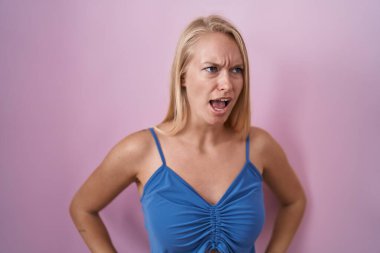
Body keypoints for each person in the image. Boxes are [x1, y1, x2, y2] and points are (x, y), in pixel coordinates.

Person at [69, 15, 307, 253]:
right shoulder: (142, 150)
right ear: (183, 76)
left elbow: (295, 201)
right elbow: (82, 208)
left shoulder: (259, 146)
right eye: (212, 69)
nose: (227, 83)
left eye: (237, 70)